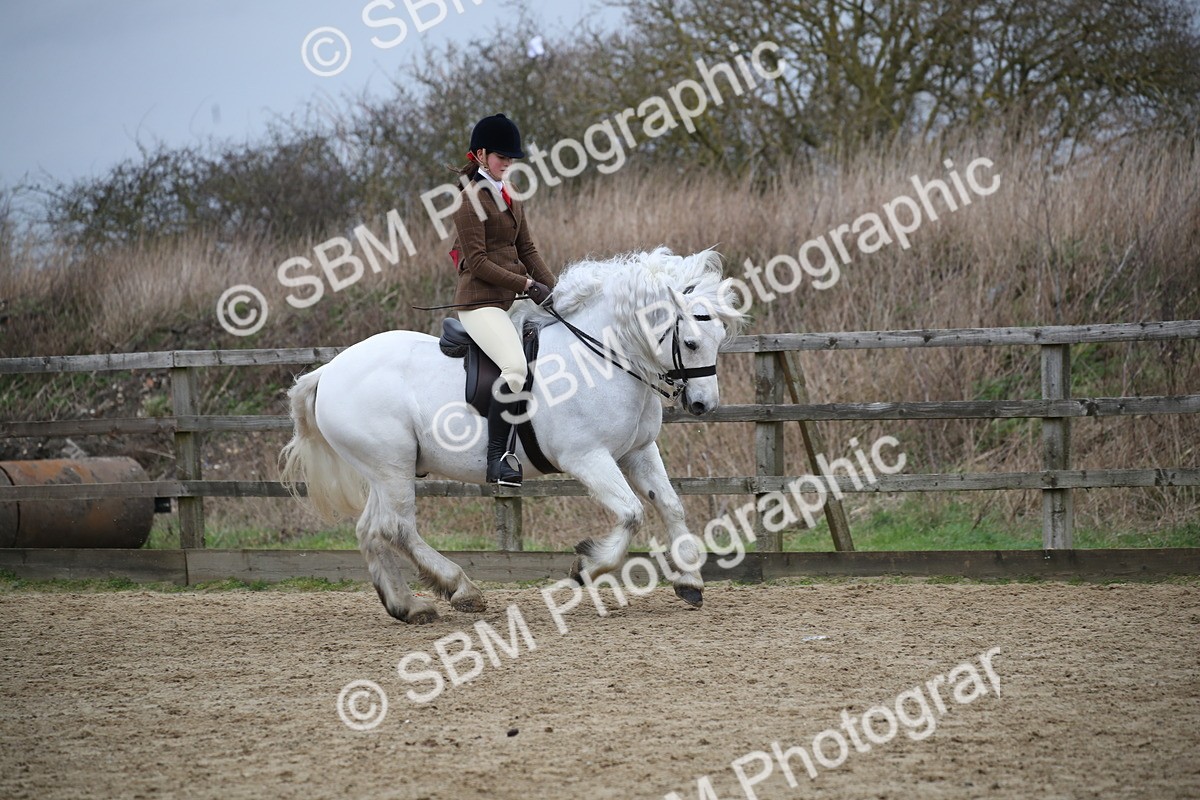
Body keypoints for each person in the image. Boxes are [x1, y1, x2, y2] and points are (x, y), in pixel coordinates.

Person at [449, 113, 555, 487]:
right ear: (479, 155)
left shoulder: (510, 196)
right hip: (480, 304)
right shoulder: (468, 202)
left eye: (511, 158)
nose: (507, 163)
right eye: (500, 157)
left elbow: (527, 248)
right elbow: (476, 262)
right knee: (514, 368)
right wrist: (526, 284)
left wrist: (555, 290)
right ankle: (498, 459)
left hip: (511, 300)